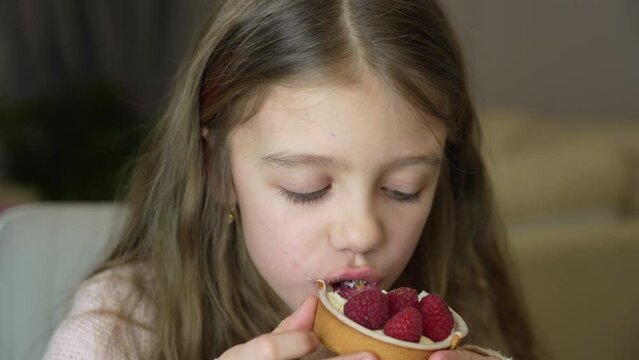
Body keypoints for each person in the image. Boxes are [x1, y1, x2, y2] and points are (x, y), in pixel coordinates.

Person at [44, 0, 541, 359]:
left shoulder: (462, 301)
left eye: (404, 188)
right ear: (217, 171)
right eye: (308, 188)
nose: (363, 233)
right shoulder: (116, 330)